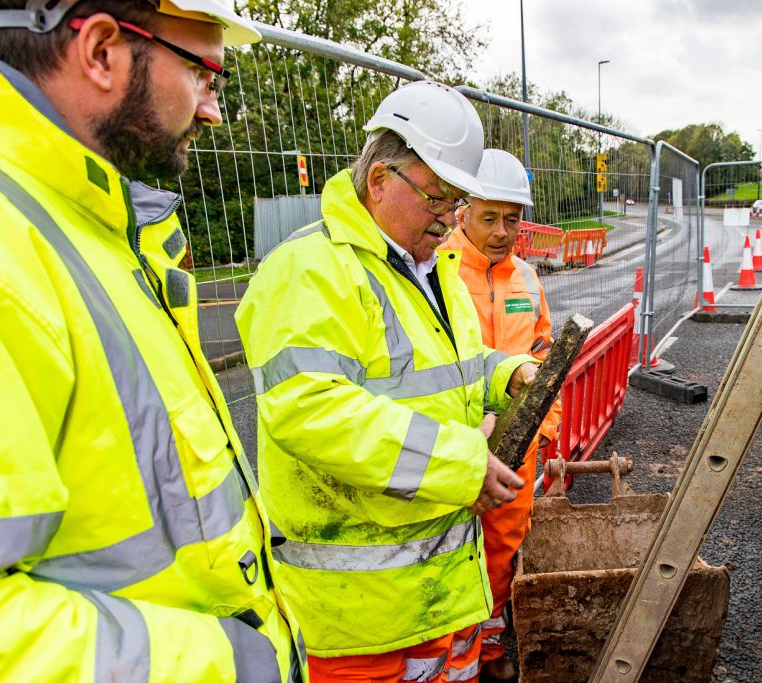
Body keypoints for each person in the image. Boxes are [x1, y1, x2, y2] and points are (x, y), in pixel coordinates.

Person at [0, 1, 305, 680]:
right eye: (203, 73)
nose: (212, 109)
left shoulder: (77, 224)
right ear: (101, 50)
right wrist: (232, 662)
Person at [234, 81, 540, 683]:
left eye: (457, 203)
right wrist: (461, 464)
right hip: (359, 618)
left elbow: (459, 369)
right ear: (379, 181)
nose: (450, 219)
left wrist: (509, 373)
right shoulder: (309, 271)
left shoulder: (432, 266)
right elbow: (310, 411)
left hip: (439, 592)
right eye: (438, 199)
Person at [441, 150, 562, 682]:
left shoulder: (527, 280)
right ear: (463, 210)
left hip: (520, 447)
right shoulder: (436, 271)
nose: (500, 231)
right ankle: (457, 659)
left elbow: (545, 354)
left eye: (511, 219)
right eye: (488, 217)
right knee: (451, 556)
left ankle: (489, 653)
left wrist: (547, 429)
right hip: (459, 448)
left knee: (503, 553)